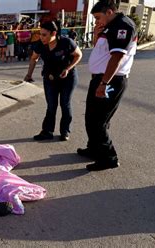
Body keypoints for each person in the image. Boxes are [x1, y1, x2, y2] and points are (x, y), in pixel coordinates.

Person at [78, 0, 137, 171]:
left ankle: (108, 158)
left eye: (98, 17)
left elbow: (116, 57)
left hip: (110, 80)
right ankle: (94, 148)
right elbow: (102, 52)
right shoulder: (110, 26)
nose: (97, 21)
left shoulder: (122, 26)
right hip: (100, 78)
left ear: (109, 12)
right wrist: (97, 35)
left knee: (98, 121)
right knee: (91, 117)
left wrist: (104, 83)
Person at [24, 21, 83, 141]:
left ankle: (65, 131)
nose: (41, 37)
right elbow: (34, 58)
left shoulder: (66, 42)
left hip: (68, 78)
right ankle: (47, 131)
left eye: (44, 35)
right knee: (51, 105)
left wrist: (68, 68)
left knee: (65, 104)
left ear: (54, 33)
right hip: (50, 78)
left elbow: (78, 55)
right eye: (40, 34)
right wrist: (29, 74)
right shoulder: (40, 45)